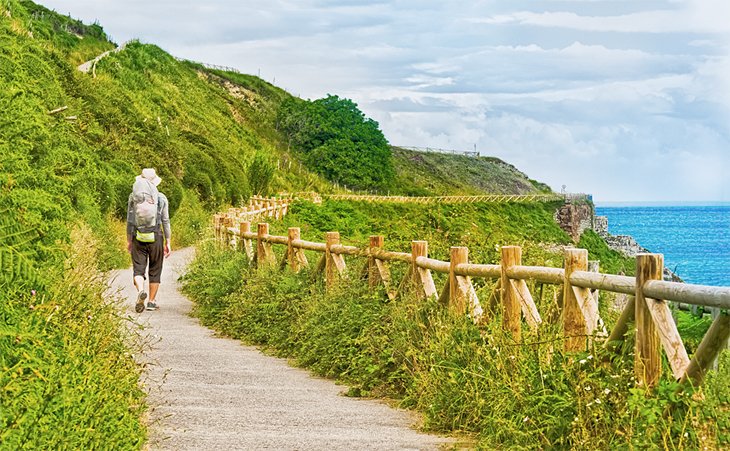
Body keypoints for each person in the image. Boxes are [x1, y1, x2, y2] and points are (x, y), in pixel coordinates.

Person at [127, 168, 171, 312]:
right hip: (156, 236)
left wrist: (129, 240)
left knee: (138, 270)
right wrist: (168, 241)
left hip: (138, 236)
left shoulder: (133, 197)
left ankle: (141, 291)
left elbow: (130, 221)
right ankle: (151, 302)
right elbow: (166, 221)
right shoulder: (161, 198)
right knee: (155, 269)